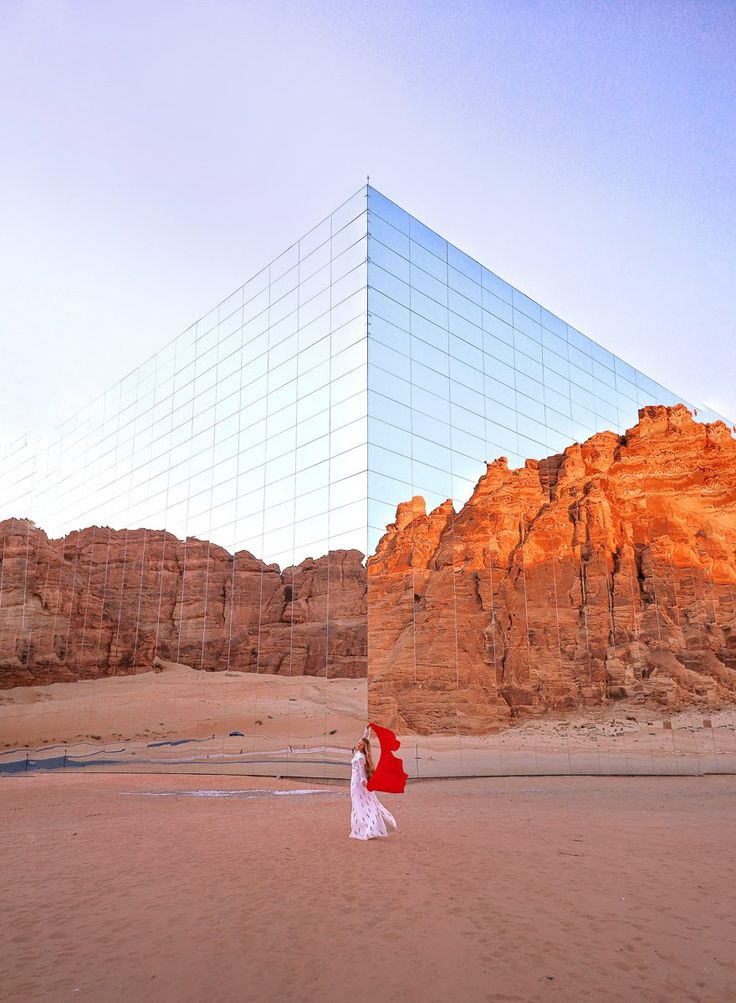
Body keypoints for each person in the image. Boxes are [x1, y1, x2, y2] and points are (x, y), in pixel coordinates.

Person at [349, 724, 398, 840]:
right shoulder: (359, 753)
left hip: (358, 782)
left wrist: (363, 781)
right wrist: (367, 730)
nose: (358, 745)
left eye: (360, 745)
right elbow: (365, 739)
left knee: (360, 804)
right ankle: (364, 827)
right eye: (358, 743)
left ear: (363, 747)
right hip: (355, 781)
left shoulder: (361, 757)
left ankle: (367, 828)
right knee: (361, 804)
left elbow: (361, 771)